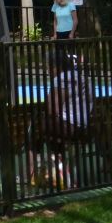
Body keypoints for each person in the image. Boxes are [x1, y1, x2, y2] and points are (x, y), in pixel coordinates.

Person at [30, 50, 94, 187]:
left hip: (67, 127)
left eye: (48, 67)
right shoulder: (82, 78)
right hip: (84, 128)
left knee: (34, 130)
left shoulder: (61, 79)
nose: (47, 70)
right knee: (47, 129)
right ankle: (58, 171)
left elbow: (53, 109)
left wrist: (48, 99)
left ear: (56, 67)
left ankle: (32, 173)